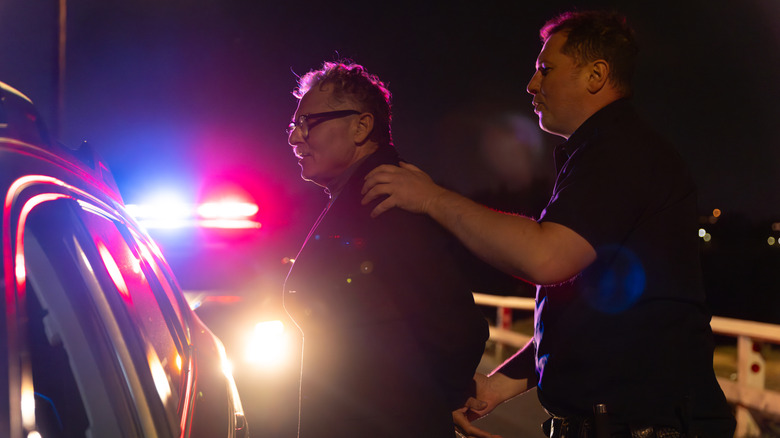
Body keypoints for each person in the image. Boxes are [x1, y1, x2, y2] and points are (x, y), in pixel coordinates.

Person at [362, 10, 736, 438]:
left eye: (546, 68)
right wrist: (496, 386)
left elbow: (545, 257)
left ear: (596, 74)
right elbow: (587, 311)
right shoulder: (604, 153)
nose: (531, 84)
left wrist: (432, 198)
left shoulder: (620, 152)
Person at [283, 60, 488, 438]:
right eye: (294, 126)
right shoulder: (361, 195)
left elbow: (457, 324)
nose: (296, 137)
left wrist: (435, 401)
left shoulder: (385, 197)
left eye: (308, 123)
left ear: (361, 126)